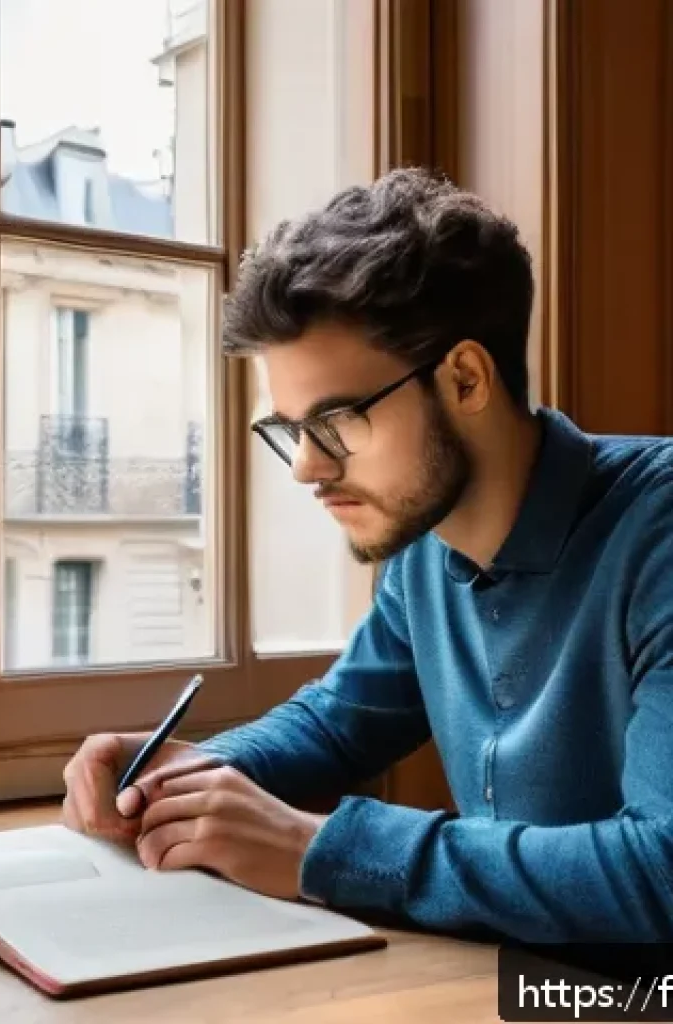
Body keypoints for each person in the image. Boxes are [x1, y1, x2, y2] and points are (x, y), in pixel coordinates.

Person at [60, 168, 673, 944]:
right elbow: (339, 724)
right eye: (288, 430)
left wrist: (320, 849)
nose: (306, 468)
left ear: (465, 378)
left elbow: (661, 874)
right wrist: (187, 775)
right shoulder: (423, 548)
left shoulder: (659, 534)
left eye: (338, 420)